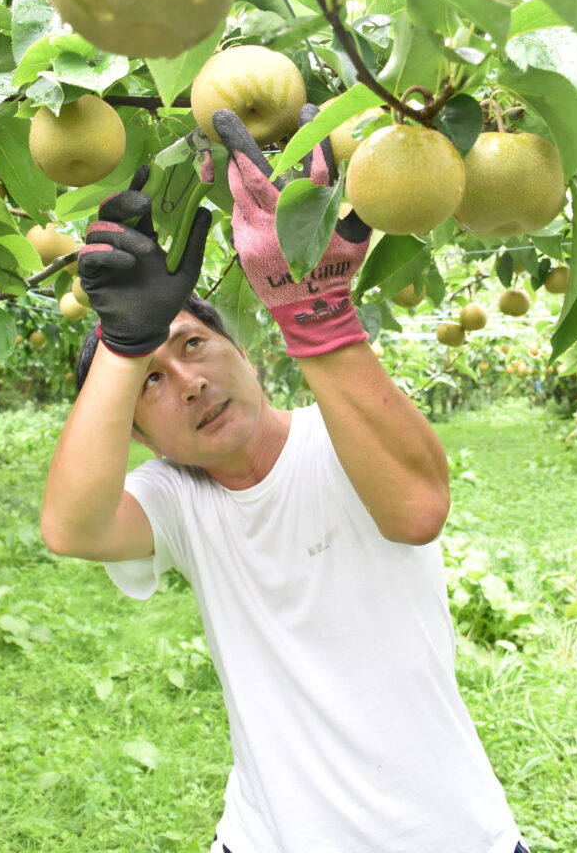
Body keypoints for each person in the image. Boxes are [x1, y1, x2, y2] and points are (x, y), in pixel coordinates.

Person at [41, 105, 530, 853]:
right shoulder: (177, 498)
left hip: (448, 835)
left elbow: (416, 509)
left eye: (195, 345)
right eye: (152, 383)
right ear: (136, 438)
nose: (190, 384)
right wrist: (120, 347)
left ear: (245, 351)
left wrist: (320, 317)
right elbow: (72, 529)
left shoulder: (338, 437)